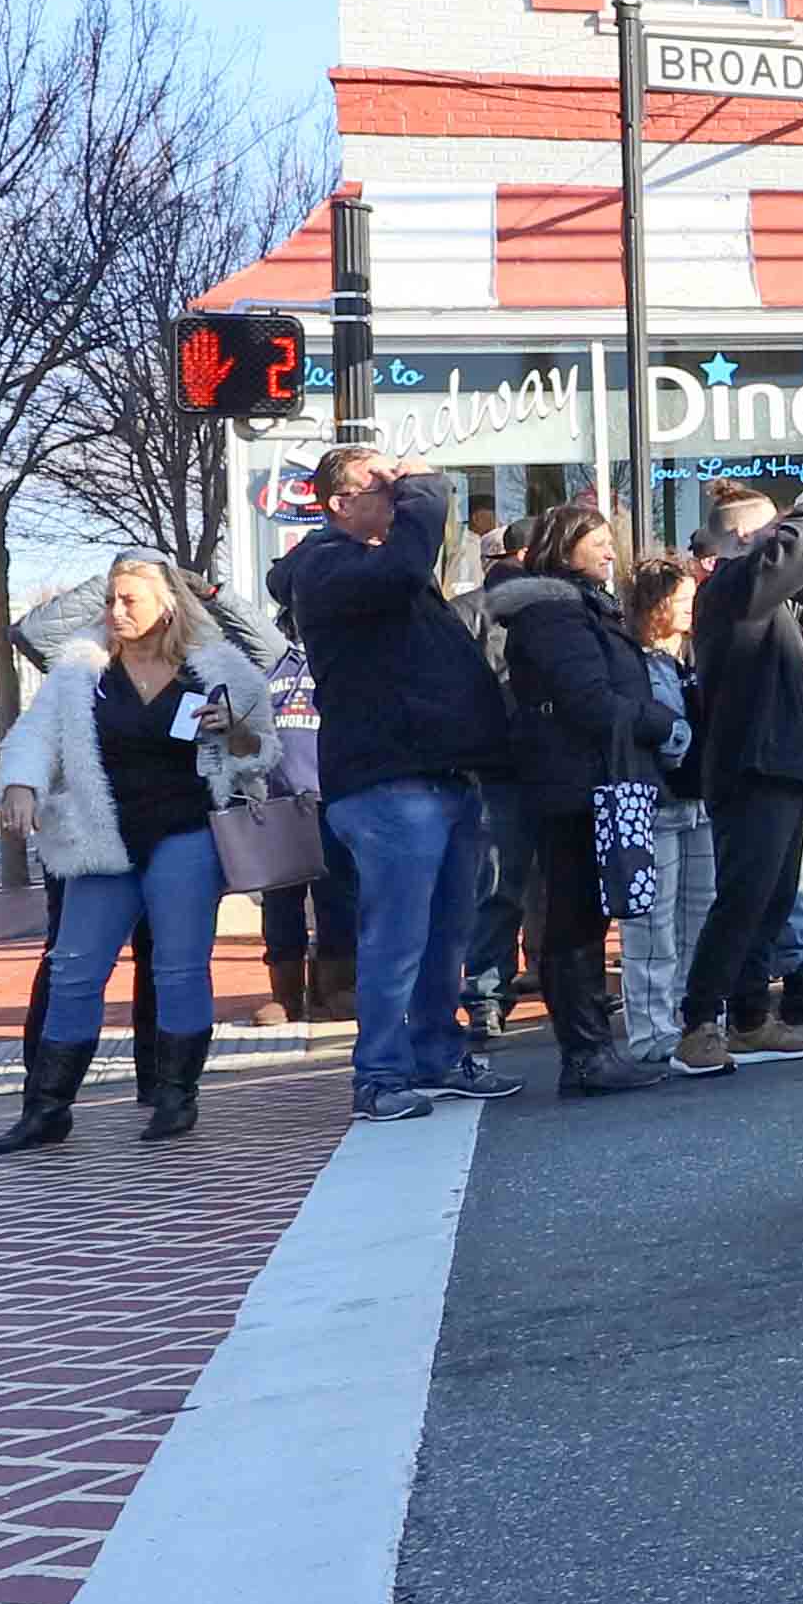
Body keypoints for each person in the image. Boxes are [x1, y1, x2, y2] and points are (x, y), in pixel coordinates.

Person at [0, 557, 281, 1151]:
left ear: (168, 606)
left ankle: (176, 1097)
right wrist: (20, 784)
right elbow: (36, 736)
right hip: (101, 837)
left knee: (179, 966)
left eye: (131, 601)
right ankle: (48, 1108)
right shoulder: (80, 668)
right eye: (112, 601)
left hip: (186, 833)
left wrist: (236, 734)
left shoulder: (217, 665)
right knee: (74, 969)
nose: (117, 612)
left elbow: (263, 750)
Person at [267, 448, 521, 1122]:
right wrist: (429, 489)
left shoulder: (380, 573)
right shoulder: (325, 567)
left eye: (398, 482)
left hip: (440, 775)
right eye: (381, 482)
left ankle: (438, 1054)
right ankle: (379, 1074)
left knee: (446, 933)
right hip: (387, 783)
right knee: (398, 935)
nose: (398, 490)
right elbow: (411, 557)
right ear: (338, 504)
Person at [483, 501, 676, 1096]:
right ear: (563, 547)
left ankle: (593, 1049)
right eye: (597, 541)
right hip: (573, 786)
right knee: (573, 919)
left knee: (583, 917)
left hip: (586, 780)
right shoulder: (554, 614)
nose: (610, 550)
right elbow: (589, 701)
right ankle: (588, 1054)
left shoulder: (578, 608)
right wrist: (659, 721)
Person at [677, 485, 803, 1073]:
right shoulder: (731, 588)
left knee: (771, 902)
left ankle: (748, 1016)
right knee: (742, 901)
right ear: (749, 538)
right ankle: (699, 1022)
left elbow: (764, 683)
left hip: (781, 759)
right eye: (774, 531)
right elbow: (794, 552)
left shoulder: (760, 600)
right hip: (751, 769)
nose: (787, 540)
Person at [609, 557, 715, 1071]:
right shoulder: (633, 662)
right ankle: (652, 1030)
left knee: (701, 912)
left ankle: (691, 1018)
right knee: (652, 924)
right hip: (655, 801)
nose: (691, 607)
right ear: (655, 605)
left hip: (699, 798)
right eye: (681, 598)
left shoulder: (692, 654)